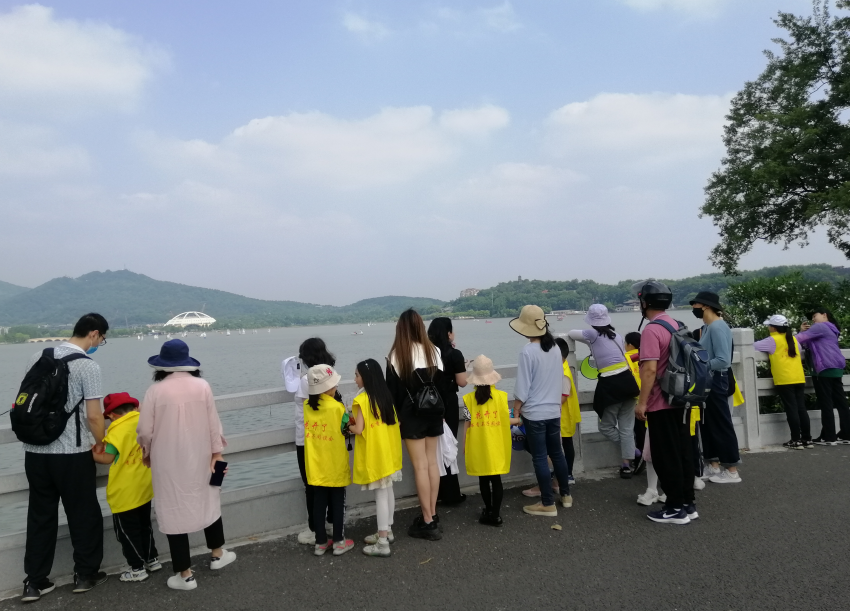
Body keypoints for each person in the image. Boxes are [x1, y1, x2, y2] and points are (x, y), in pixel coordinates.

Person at [20, 313, 110, 602]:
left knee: (40, 517)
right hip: (72, 454)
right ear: (94, 334)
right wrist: (102, 443)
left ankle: (34, 582)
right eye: (102, 339)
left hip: (35, 452)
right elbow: (94, 416)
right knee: (83, 514)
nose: (99, 343)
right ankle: (85, 574)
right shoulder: (88, 366)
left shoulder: (38, 356)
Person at [137, 340, 236, 591]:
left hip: (167, 461)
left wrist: (147, 452)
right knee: (209, 498)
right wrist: (217, 453)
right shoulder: (202, 386)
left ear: (161, 366)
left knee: (173, 509)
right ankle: (217, 554)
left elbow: (145, 431)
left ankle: (185, 574)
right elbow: (213, 424)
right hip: (202, 456)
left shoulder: (154, 392)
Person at [633, 280, 697, 525]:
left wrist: (642, 403)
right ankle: (688, 504)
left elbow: (649, 370)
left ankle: (674, 508)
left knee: (665, 456)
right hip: (683, 399)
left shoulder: (652, 330)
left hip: (661, 402)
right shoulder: (677, 325)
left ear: (645, 303)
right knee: (683, 453)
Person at [386, 309, 445, 540]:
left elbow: (392, 394)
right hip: (434, 410)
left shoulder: (396, 355)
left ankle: (427, 521)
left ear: (400, 329)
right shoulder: (434, 350)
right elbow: (441, 384)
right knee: (432, 463)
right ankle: (432, 513)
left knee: (420, 466)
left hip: (411, 414)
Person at [510, 305, 572, 517]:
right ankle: (566, 495)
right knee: (557, 453)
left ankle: (547, 503)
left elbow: (523, 386)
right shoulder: (554, 348)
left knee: (539, 457)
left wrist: (516, 409)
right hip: (553, 410)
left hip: (535, 413)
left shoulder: (527, 351)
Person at [93, 392, 160, 582]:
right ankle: (152, 559)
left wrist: (90, 452)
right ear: (134, 408)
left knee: (127, 532)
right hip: (145, 486)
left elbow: (107, 458)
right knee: (145, 525)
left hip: (125, 492)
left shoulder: (116, 432)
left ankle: (137, 568)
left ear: (111, 415)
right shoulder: (143, 423)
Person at [569, 304, 639, 478]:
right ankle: (626, 465)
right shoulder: (617, 336)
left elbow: (571, 333)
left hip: (611, 385)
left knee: (606, 427)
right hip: (628, 383)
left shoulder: (592, 334)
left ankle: (636, 453)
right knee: (627, 428)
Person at [350, 359, 402, 557]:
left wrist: (347, 425)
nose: (355, 379)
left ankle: (382, 542)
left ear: (366, 377)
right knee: (388, 490)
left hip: (375, 455)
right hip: (389, 452)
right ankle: (388, 530)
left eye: (357, 375)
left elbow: (359, 429)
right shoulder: (385, 396)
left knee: (380, 495)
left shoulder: (363, 400)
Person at [690, 291, 741, 484]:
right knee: (707, 423)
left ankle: (732, 470)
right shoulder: (708, 327)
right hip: (708, 380)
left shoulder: (718, 327)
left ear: (705, 306)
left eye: (695, 304)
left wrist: (699, 366)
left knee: (721, 423)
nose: (693, 308)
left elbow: (723, 360)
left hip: (717, 379)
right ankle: (713, 465)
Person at [304, 364, 354, 556]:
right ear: (327, 388)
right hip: (334, 463)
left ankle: (320, 542)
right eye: (334, 384)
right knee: (338, 503)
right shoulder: (337, 407)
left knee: (319, 503)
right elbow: (345, 428)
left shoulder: (306, 406)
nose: (336, 387)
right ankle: (339, 541)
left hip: (315, 463)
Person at [463, 355, 519, 526]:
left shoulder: (468, 400)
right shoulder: (502, 397)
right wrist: (519, 420)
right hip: (496, 445)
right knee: (496, 480)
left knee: (483, 480)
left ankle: (487, 510)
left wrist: (465, 445)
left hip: (477, 445)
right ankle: (496, 515)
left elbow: (467, 424)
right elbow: (506, 420)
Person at [292, 338, 337, 545]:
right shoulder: (330, 373)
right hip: (329, 437)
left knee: (311, 484)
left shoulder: (306, 380)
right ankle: (332, 522)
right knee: (330, 481)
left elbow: (308, 406)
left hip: (308, 440)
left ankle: (314, 529)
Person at [427, 317, 468, 505]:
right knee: (448, 446)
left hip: (429, 404)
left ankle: (437, 493)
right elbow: (462, 382)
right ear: (448, 333)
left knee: (433, 451)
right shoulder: (454, 354)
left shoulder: (425, 353)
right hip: (448, 404)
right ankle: (452, 494)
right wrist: (463, 366)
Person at [753, 315, 811, 449]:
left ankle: (796, 440)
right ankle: (807, 439)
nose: (768, 327)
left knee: (791, 409)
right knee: (801, 408)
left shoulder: (772, 340)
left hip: (785, 379)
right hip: (799, 377)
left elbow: (752, 346)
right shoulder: (793, 339)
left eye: (769, 325)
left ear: (774, 328)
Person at [796, 307, 850, 445]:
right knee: (841, 402)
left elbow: (798, 340)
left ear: (824, 315)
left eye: (815, 316)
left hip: (824, 368)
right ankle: (846, 434)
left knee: (826, 403)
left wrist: (801, 332)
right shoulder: (832, 328)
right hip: (836, 367)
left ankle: (829, 437)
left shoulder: (820, 327)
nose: (813, 319)